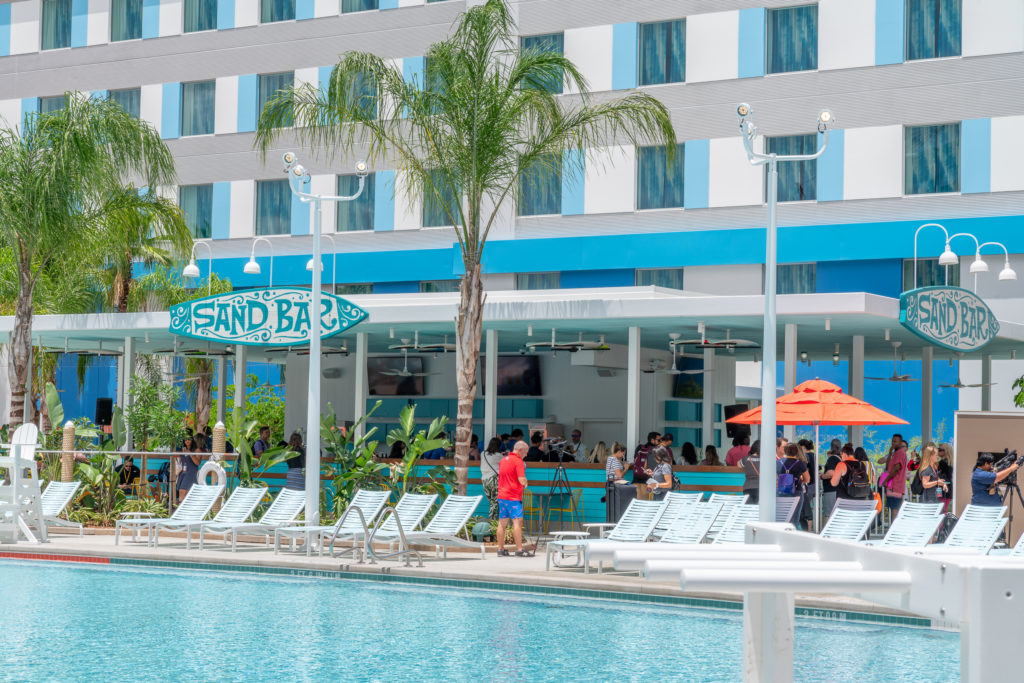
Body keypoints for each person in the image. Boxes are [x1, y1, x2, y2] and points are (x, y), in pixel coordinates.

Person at [496, 440, 529, 557]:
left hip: (502, 496)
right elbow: (521, 479)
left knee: (502, 523)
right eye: (525, 453)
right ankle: (519, 550)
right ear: (520, 450)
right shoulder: (518, 461)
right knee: (517, 523)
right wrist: (526, 483)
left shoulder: (503, 460)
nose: (526, 455)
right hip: (513, 497)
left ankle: (500, 549)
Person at [778, 443, 810, 528]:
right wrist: (801, 480)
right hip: (796, 491)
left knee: (782, 515)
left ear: (785, 451)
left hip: (781, 492)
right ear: (796, 452)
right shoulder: (800, 463)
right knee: (795, 516)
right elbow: (808, 479)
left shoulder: (778, 462)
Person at [480, 437, 503, 520]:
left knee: (491, 502)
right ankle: (491, 521)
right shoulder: (499, 455)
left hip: (484, 480)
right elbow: (504, 462)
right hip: (494, 479)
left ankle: (491, 520)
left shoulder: (483, 454)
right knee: (494, 501)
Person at [885, 440, 909, 515]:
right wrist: (890, 453)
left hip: (896, 486)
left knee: (896, 510)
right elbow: (883, 463)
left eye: (903, 446)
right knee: (895, 509)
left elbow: (896, 468)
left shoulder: (901, 455)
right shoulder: (895, 455)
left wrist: (886, 480)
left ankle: (895, 525)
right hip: (895, 486)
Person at [821, 441, 843, 518]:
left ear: (831, 447)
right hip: (839, 490)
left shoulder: (832, 459)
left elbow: (831, 473)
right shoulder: (841, 459)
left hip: (831, 490)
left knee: (830, 515)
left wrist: (821, 476)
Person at [937, 443, 954, 511]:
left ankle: (942, 522)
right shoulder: (950, 462)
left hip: (942, 488)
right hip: (948, 488)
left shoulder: (942, 463)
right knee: (944, 509)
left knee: (941, 510)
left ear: (946, 451)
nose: (937, 451)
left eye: (939, 450)